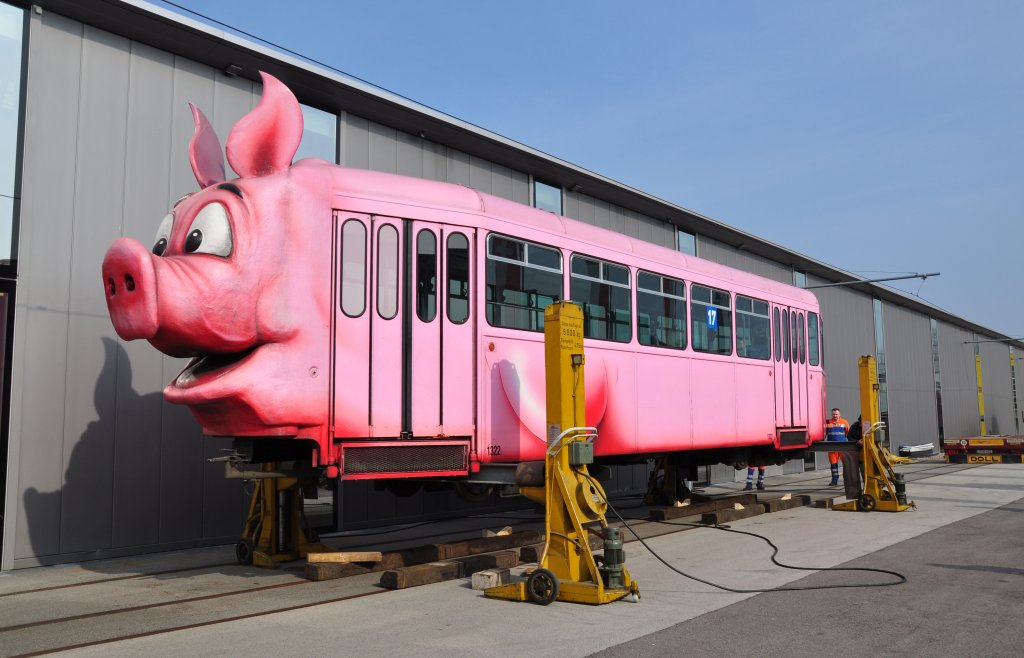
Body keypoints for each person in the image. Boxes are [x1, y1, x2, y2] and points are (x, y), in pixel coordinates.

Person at [825, 407, 850, 486]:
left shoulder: (845, 422)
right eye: (833, 414)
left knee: (846, 464)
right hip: (832, 447)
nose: (835, 416)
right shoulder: (828, 422)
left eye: (836, 414)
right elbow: (824, 433)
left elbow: (847, 433)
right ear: (831, 414)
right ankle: (834, 480)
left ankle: (847, 480)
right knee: (833, 464)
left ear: (840, 415)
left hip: (843, 446)